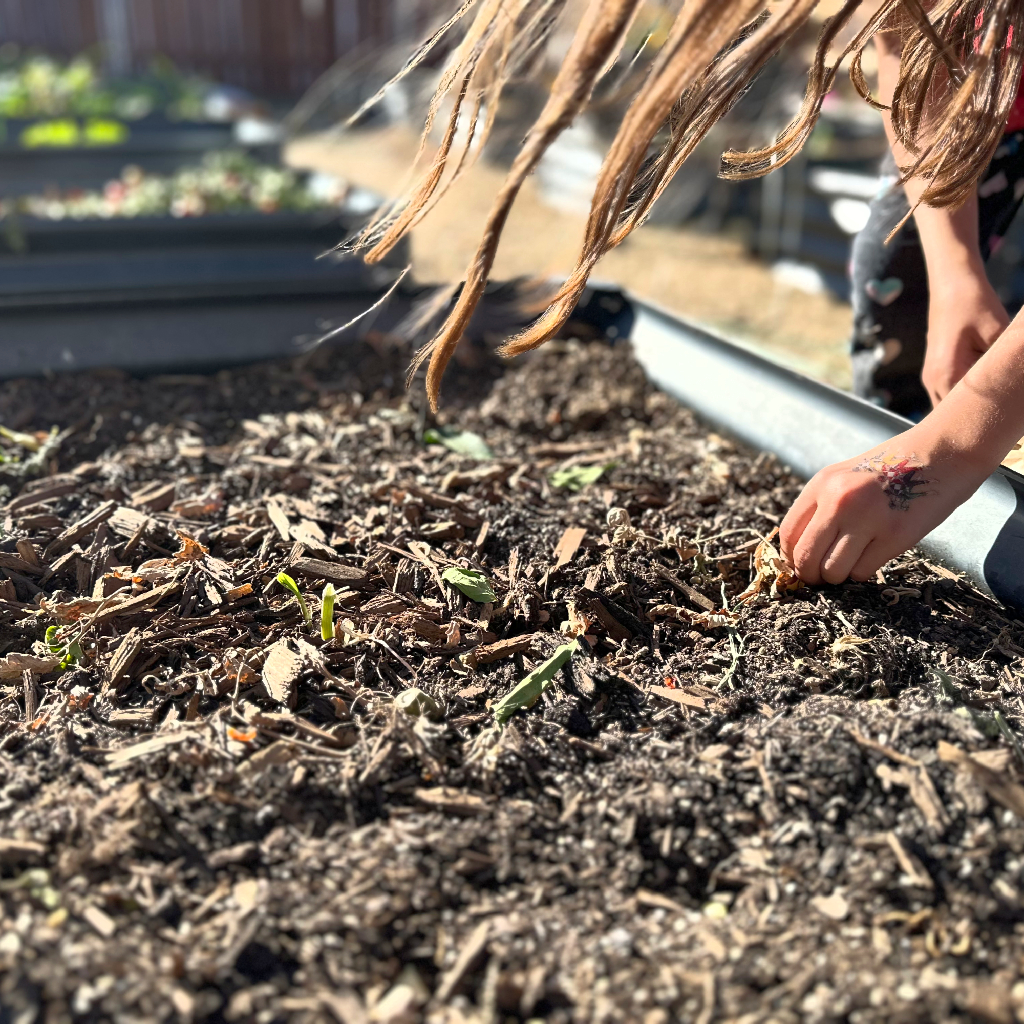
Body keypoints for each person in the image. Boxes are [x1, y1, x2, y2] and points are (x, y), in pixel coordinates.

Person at [366, 0, 1024, 586]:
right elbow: (908, 49)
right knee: (897, 278)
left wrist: (950, 449)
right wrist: (956, 271)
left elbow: (956, 440)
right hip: (981, 111)